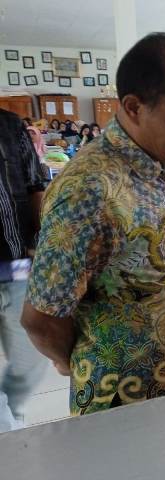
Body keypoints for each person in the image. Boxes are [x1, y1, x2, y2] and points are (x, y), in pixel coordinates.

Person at [21, 32, 165, 416]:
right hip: (122, 408)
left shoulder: (159, 162)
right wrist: (77, 359)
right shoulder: (89, 188)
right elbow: (41, 319)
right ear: (133, 107)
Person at [0, 108, 48, 432]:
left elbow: (34, 187)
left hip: (17, 264)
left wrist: (44, 245)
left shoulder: (10, 125)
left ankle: (10, 411)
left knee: (32, 358)